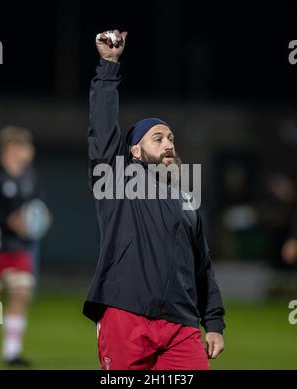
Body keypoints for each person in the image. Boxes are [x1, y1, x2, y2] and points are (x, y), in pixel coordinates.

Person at [83, 29, 225, 370]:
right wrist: (108, 64)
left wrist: (214, 321)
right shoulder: (117, 181)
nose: (168, 143)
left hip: (182, 325)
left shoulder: (186, 198)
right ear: (135, 151)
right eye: (157, 137)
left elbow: (202, 266)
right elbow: (102, 133)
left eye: (171, 137)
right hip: (126, 316)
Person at [0, 126, 50, 366]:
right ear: (11, 148)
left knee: (21, 294)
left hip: (19, 247)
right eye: (26, 146)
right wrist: (8, 220)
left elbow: (37, 207)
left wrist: (42, 218)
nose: (31, 151)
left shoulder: (31, 176)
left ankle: (12, 352)